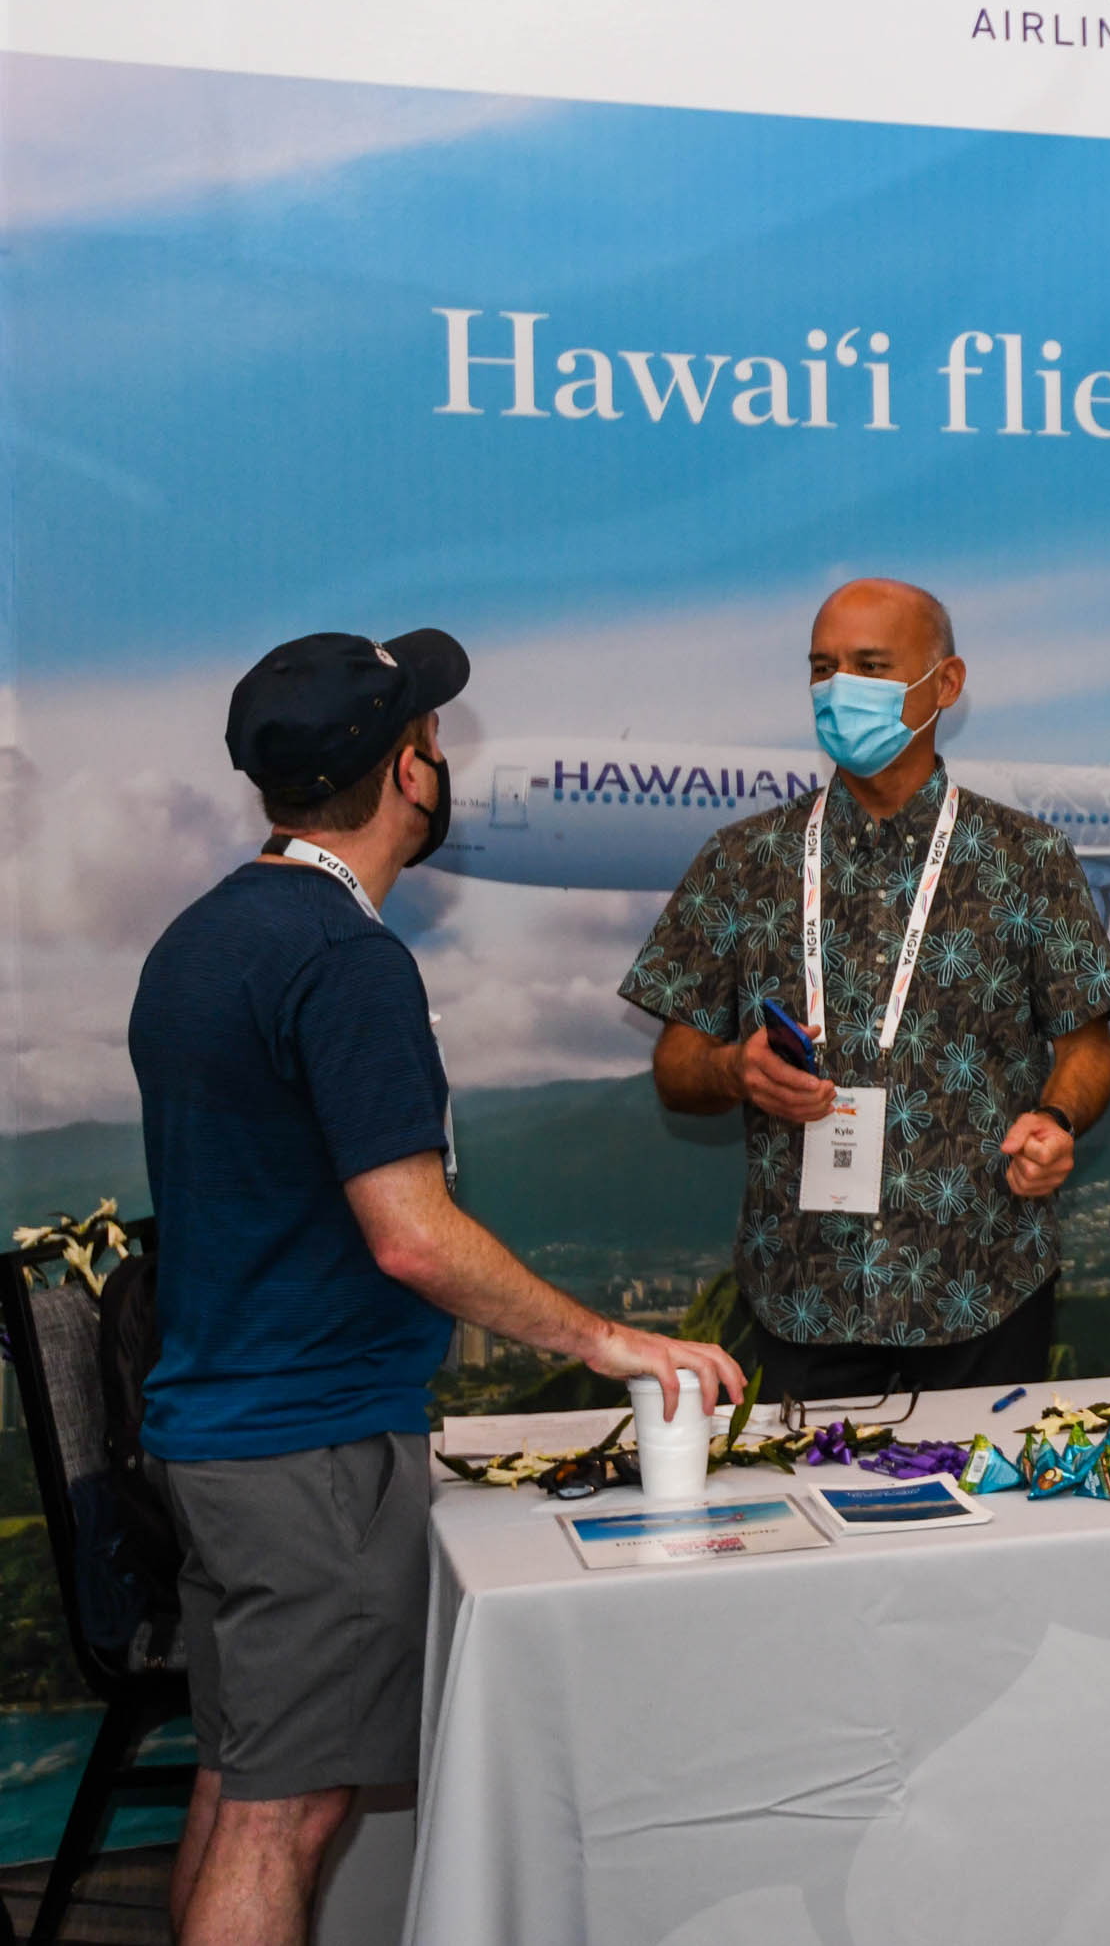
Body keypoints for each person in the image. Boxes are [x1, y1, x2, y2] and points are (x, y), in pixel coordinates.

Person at [131, 628, 747, 1946]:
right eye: (431, 736)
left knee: (240, 1784)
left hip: (222, 1434)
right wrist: (605, 1339)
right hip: (310, 1449)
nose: (442, 756)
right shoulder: (346, 963)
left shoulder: (202, 939)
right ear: (409, 772)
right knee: (281, 1817)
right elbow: (410, 1233)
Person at [626, 580, 1110, 1399]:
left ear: (946, 684)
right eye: (823, 668)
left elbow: (1089, 1046)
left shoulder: (1029, 858)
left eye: (870, 665)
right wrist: (732, 1071)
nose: (838, 690)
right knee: (811, 1523)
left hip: (985, 1284)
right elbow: (675, 1065)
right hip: (800, 1292)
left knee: (989, 1523)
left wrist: (1058, 1118)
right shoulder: (741, 860)